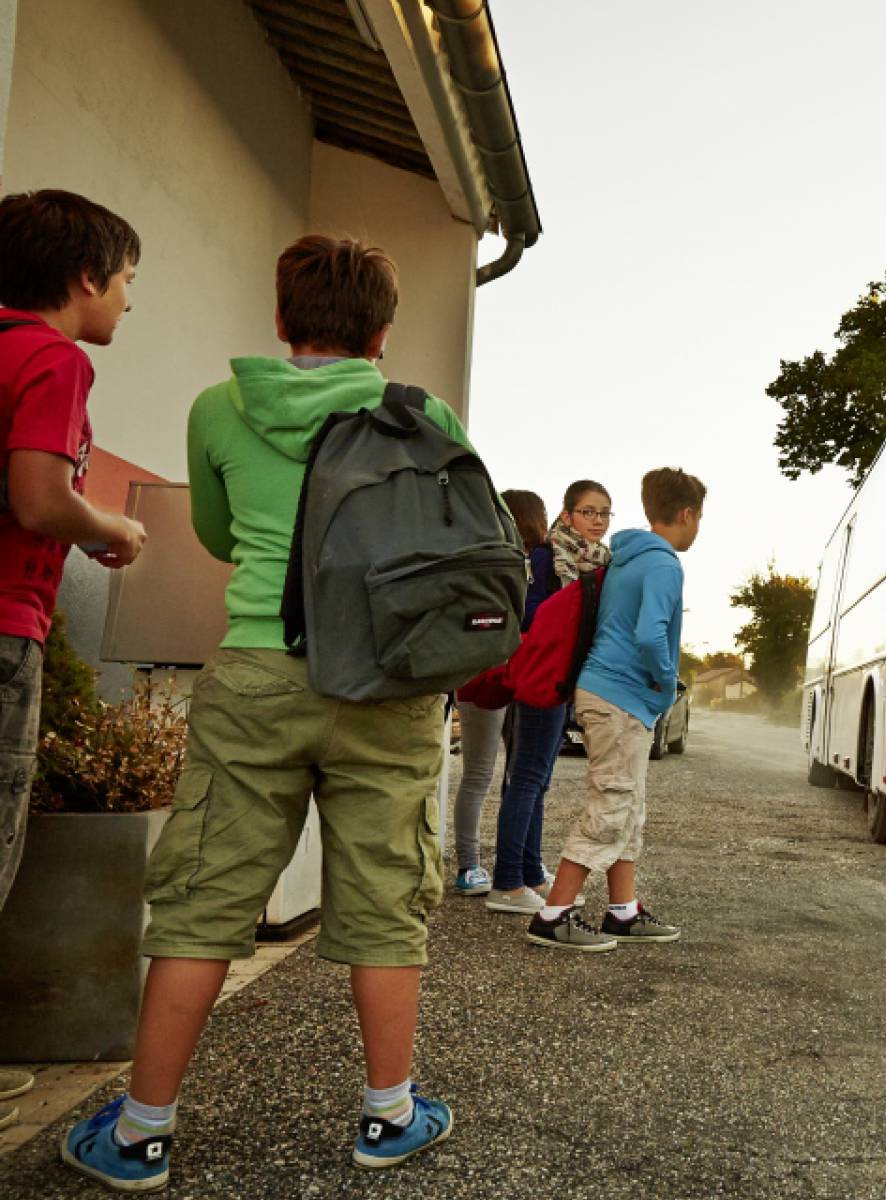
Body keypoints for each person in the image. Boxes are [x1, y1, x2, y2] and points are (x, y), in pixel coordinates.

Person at [63, 236, 469, 1190]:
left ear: (281, 319)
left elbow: (212, 531)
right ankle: (389, 1115)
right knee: (386, 896)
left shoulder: (219, 406)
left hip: (254, 675)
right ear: (381, 333)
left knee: (204, 898)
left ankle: (139, 1134)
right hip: (386, 680)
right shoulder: (424, 413)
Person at [0, 188, 146, 1139]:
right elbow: (42, 497)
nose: (131, 302)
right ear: (85, 276)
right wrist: (115, 528)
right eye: (128, 279)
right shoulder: (50, 357)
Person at [526, 467, 703, 951]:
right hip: (622, 697)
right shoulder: (664, 565)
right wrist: (666, 686)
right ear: (686, 514)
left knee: (628, 805)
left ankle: (622, 911)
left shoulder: (622, 557)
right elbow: (650, 635)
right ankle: (554, 913)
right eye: (699, 517)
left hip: (603, 691)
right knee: (612, 802)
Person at [484, 479, 611, 915]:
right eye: (588, 511)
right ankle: (507, 884)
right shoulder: (546, 556)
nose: (597, 520)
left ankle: (530, 870)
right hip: (542, 676)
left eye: (604, 513)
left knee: (538, 780)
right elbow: (528, 612)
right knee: (526, 778)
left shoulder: (591, 561)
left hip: (561, 679)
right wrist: (568, 609)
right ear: (566, 515)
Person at [448, 489, 553, 897]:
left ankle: (484, 865)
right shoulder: (517, 564)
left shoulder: (498, 561)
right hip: (493, 674)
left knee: (501, 774)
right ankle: (473, 864)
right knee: (497, 773)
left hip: (491, 673)